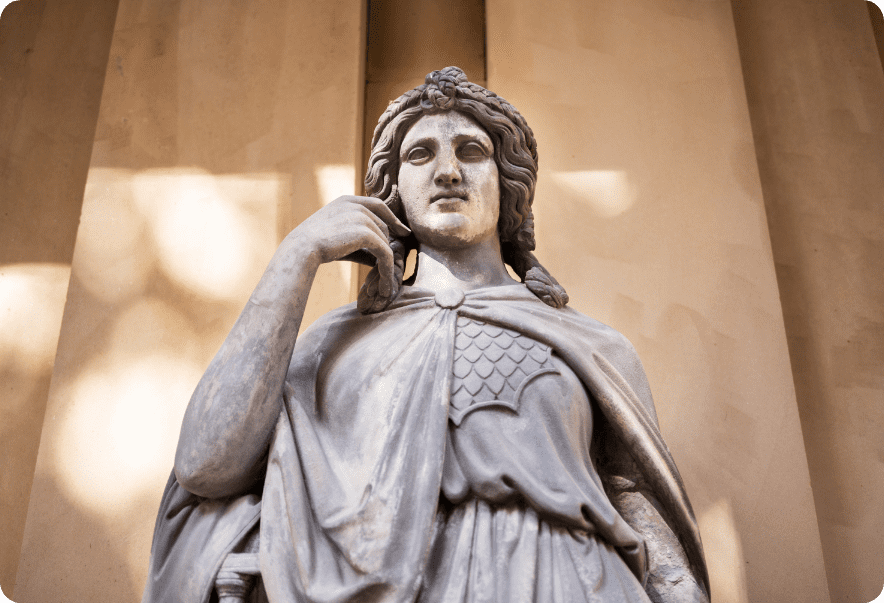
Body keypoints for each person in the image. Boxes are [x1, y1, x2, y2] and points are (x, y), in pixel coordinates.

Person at [143, 67, 710, 603]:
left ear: (509, 185)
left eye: (472, 151)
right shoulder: (336, 346)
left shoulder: (590, 345)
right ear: (392, 193)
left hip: (571, 582)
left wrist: (679, 589)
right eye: (421, 154)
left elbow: (630, 493)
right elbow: (206, 467)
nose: (448, 172)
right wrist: (295, 258)